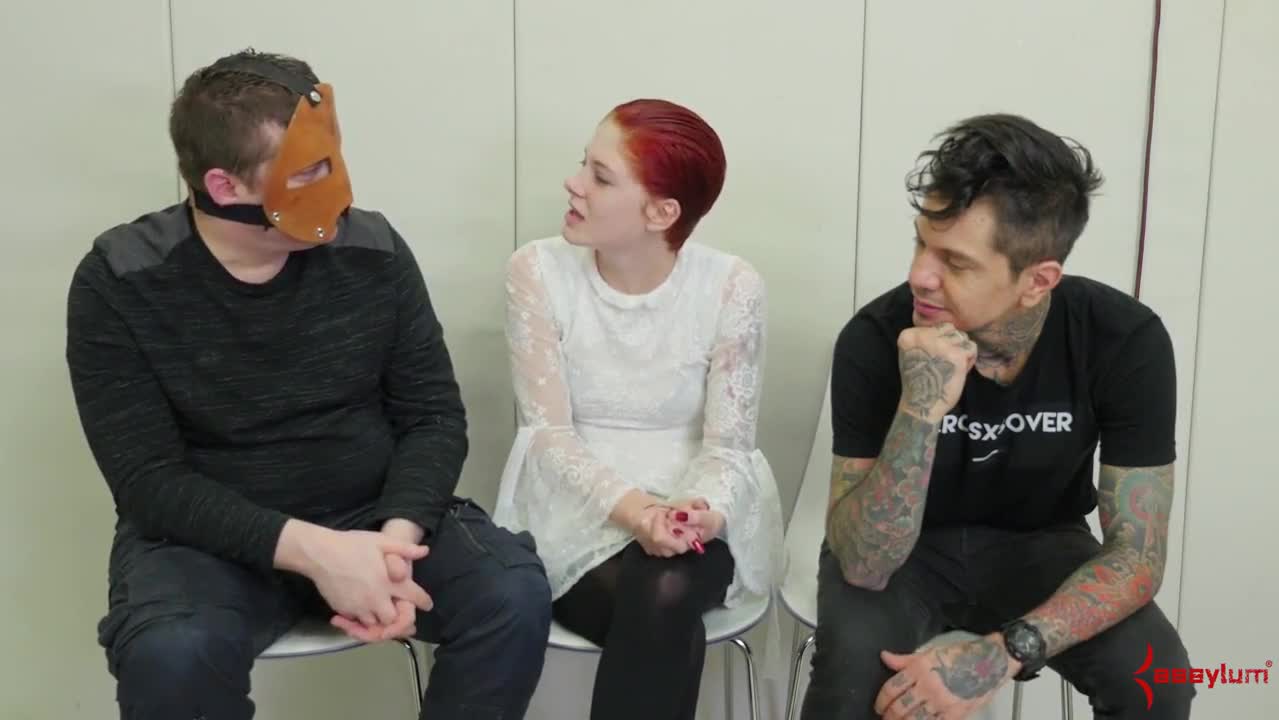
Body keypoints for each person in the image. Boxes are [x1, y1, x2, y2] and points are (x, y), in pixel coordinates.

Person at [65, 49, 551, 720]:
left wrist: (393, 545)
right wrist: (319, 554)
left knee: (511, 595)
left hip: (374, 515)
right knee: (172, 654)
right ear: (225, 186)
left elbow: (433, 416)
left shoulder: (373, 251)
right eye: (309, 171)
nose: (338, 188)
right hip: (208, 544)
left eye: (332, 159)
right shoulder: (121, 279)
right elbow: (148, 480)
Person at [800, 114, 1195, 720]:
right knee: (849, 677)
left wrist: (1005, 652)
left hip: (1041, 544)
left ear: (1037, 281)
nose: (919, 276)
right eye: (920, 243)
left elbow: (1137, 558)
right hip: (906, 554)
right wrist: (919, 407)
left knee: (1155, 679)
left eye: (955, 263)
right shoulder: (875, 337)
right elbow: (864, 565)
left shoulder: (1122, 339)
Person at [493, 98, 786, 720]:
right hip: (573, 507)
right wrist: (639, 512)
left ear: (662, 212)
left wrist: (696, 511)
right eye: (584, 164)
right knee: (662, 613)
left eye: (600, 177)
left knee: (666, 589)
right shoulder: (537, 271)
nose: (574, 183)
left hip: (692, 507)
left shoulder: (732, 286)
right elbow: (548, 434)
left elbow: (728, 445)